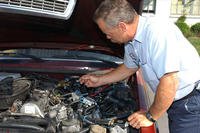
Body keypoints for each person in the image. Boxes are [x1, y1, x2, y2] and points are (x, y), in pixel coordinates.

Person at [79, 0, 200, 132]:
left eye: (108, 33)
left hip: (191, 104)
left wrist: (150, 116)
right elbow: (129, 67)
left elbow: (169, 80)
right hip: (178, 103)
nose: (107, 37)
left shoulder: (157, 33)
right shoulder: (131, 41)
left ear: (122, 26)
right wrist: (100, 80)